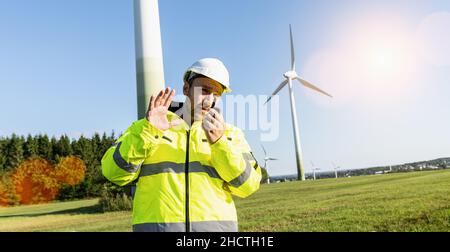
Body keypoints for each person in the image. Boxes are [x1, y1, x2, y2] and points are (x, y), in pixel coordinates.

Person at [101, 58, 262, 232]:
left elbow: (248, 186)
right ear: (186, 88)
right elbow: (113, 172)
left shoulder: (230, 134)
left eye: (216, 94)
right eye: (205, 90)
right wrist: (148, 132)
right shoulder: (147, 127)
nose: (210, 101)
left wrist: (219, 144)